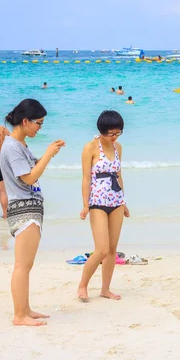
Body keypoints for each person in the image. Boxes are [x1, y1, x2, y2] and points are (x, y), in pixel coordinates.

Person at [0, 98, 65, 327]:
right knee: (22, 266)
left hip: (30, 206)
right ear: (25, 121)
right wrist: (47, 154)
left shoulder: (20, 145)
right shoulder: (12, 146)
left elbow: (30, 170)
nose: (40, 128)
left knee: (26, 265)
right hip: (24, 208)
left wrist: (47, 156)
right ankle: (19, 315)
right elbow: (29, 177)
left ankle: (25, 309)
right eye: (38, 123)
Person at [78, 110, 130, 302]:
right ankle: (82, 285)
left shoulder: (118, 148)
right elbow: (85, 179)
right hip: (98, 202)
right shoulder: (90, 148)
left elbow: (119, 175)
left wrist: (124, 202)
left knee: (112, 249)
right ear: (102, 130)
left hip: (116, 201)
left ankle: (105, 289)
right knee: (101, 249)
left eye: (118, 133)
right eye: (112, 133)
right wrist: (85, 204)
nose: (115, 137)